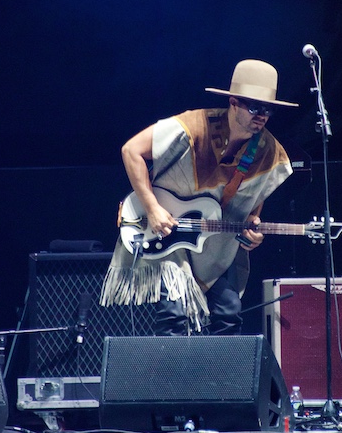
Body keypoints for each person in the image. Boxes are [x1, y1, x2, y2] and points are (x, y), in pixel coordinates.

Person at [100, 59, 297, 335]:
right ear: (233, 102)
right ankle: (172, 378)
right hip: (166, 232)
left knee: (229, 311)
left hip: (211, 243)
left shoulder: (268, 150)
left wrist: (253, 231)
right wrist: (153, 208)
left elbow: (254, 201)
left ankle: (222, 378)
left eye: (268, 109)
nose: (261, 116)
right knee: (173, 314)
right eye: (254, 107)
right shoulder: (193, 125)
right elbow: (131, 150)